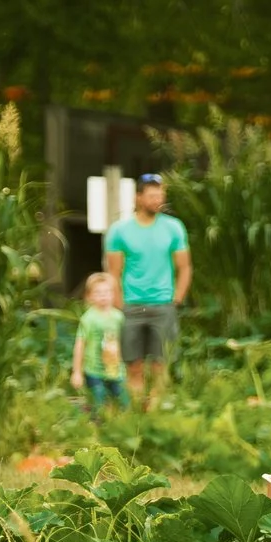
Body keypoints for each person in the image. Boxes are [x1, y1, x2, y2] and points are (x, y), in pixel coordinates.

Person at [104, 173, 190, 410]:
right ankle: (135, 413)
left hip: (163, 305)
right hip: (131, 305)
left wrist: (177, 299)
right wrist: (119, 304)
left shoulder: (174, 228)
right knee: (133, 364)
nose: (157, 199)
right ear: (138, 197)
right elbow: (114, 272)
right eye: (151, 195)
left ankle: (155, 414)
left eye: (160, 194)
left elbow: (184, 267)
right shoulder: (119, 231)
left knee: (161, 364)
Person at [69, 272, 127, 413]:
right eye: (98, 292)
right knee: (98, 400)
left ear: (114, 294)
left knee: (124, 401)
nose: (103, 296)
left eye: (107, 292)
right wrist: (77, 371)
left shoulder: (119, 317)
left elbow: (125, 342)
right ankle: (97, 426)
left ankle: (123, 425)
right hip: (94, 370)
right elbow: (80, 345)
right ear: (90, 296)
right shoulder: (88, 318)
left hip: (116, 370)